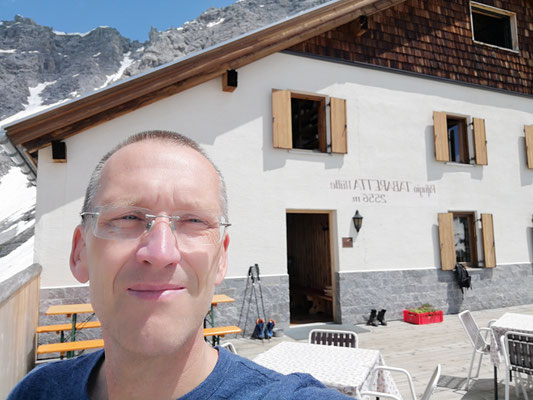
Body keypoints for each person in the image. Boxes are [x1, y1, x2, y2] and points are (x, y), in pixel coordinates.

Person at [8, 130, 351, 399]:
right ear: (79, 252)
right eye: (127, 216)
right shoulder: (36, 391)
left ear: (221, 258)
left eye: (193, 221)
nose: (160, 251)